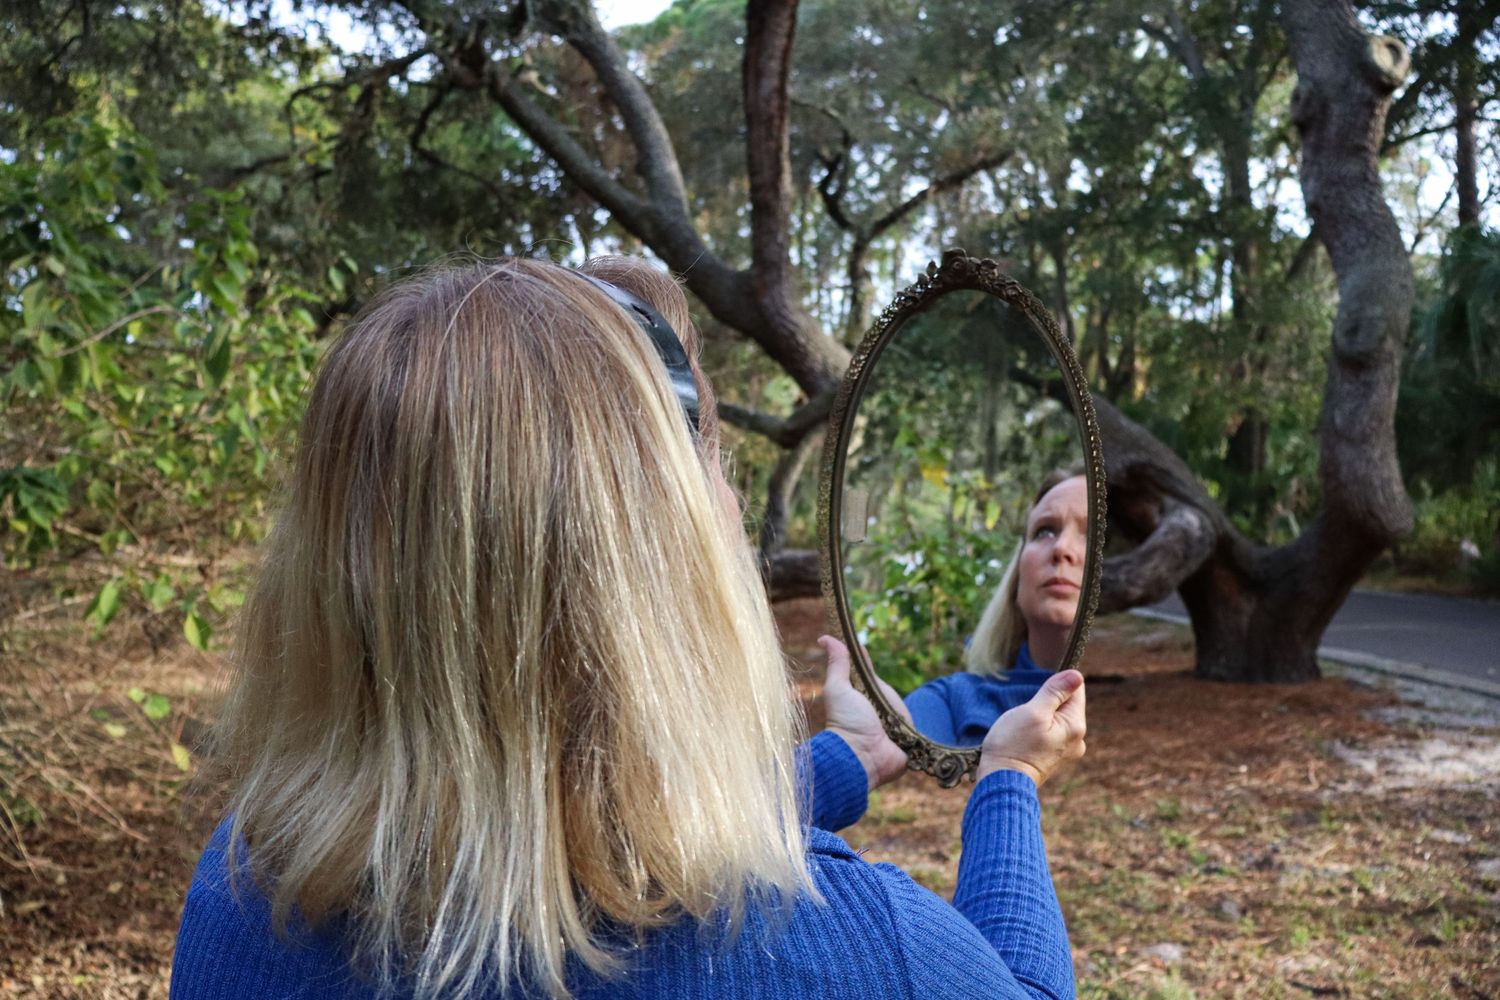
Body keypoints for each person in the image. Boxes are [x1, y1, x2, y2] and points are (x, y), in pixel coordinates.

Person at [168, 257, 1087, 1000]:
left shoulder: (245, 886)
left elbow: (572, 807)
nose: (735, 509)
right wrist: (1009, 781)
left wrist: (848, 758)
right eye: (714, 471)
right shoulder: (849, 947)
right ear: (657, 559)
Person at [905, 470, 1088, 748]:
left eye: (1095, 534)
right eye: (1045, 531)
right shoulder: (947, 704)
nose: (1062, 548)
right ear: (1017, 573)